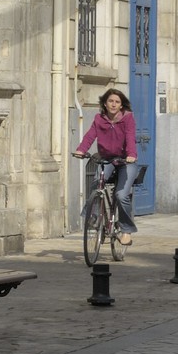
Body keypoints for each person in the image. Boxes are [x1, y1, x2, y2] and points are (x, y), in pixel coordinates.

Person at [73, 88, 140, 245]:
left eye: (117, 102)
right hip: (107, 159)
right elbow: (90, 135)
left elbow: (130, 137)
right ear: (105, 103)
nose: (114, 104)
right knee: (97, 183)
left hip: (125, 160)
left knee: (121, 195)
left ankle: (126, 230)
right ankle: (94, 217)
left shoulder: (128, 118)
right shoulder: (99, 119)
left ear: (121, 105)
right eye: (111, 101)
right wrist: (81, 149)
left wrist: (131, 155)